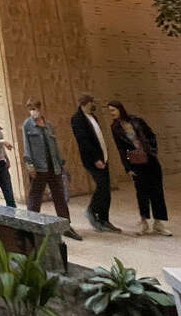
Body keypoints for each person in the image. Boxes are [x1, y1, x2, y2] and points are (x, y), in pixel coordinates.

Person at [107, 100, 172, 236]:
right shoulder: (115, 128)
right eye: (110, 111)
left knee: (157, 191)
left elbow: (151, 135)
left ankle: (158, 223)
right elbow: (120, 149)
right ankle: (144, 223)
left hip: (151, 161)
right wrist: (127, 167)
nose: (111, 113)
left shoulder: (137, 120)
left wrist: (153, 151)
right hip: (135, 163)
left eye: (113, 110)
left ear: (120, 109)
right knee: (141, 192)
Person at [22, 99, 83, 241]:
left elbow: (55, 146)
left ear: (39, 108)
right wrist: (29, 164)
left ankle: (65, 227)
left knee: (60, 197)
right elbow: (27, 146)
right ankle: (32, 227)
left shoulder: (48, 125)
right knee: (35, 198)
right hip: (39, 168)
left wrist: (61, 164)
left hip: (53, 166)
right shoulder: (28, 125)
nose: (32, 111)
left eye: (34, 108)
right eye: (29, 109)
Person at [70, 93, 121, 233]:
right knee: (102, 187)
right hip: (93, 161)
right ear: (85, 103)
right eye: (92, 102)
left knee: (106, 190)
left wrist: (103, 157)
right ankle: (91, 211)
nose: (94, 105)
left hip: (103, 158)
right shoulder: (77, 119)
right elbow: (83, 142)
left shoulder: (94, 117)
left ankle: (104, 219)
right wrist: (95, 159)